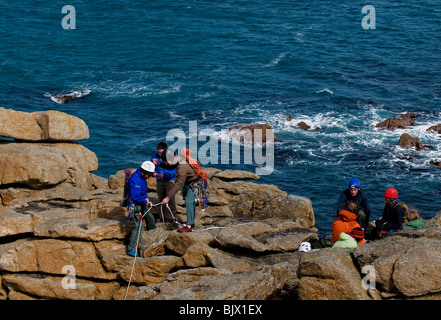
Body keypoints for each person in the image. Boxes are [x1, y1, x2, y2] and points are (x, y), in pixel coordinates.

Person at [153, 147, 208, 233]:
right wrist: (159, 163)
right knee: (190, 202)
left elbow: (178, 184)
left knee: (189, 202)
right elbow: (171, 166)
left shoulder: (182, 167)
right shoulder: (178, 158)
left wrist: (168, 197)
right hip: (191, 182)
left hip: (194, 184)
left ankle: (189, 226)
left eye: (167, 161)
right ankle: (191, 222)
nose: (166, 163)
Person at [126, 161, 156, 257]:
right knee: (138, 226)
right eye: (150, 175)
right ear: (145, 172)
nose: (150, 177)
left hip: (141, 202)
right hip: (135, 205)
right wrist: (145, 201)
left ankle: (151, 233)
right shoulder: (135, 180)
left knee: (150, 218)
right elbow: (134, 196)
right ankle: (130, 249)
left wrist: (146, 197)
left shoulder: (142, 177)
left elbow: (143, 190)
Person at [151, 142, 177, 222]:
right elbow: (151, 168)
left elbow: (174, 170)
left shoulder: (171, 157)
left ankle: (171, 217)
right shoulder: (154, 157)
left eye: (161, 153)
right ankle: (162, 217)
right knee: (160, 199)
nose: (160, 155)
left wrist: (164, 175)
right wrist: (153, 174)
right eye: (159, 153)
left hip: (170, 180)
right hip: (159, 181)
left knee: (170, 199)